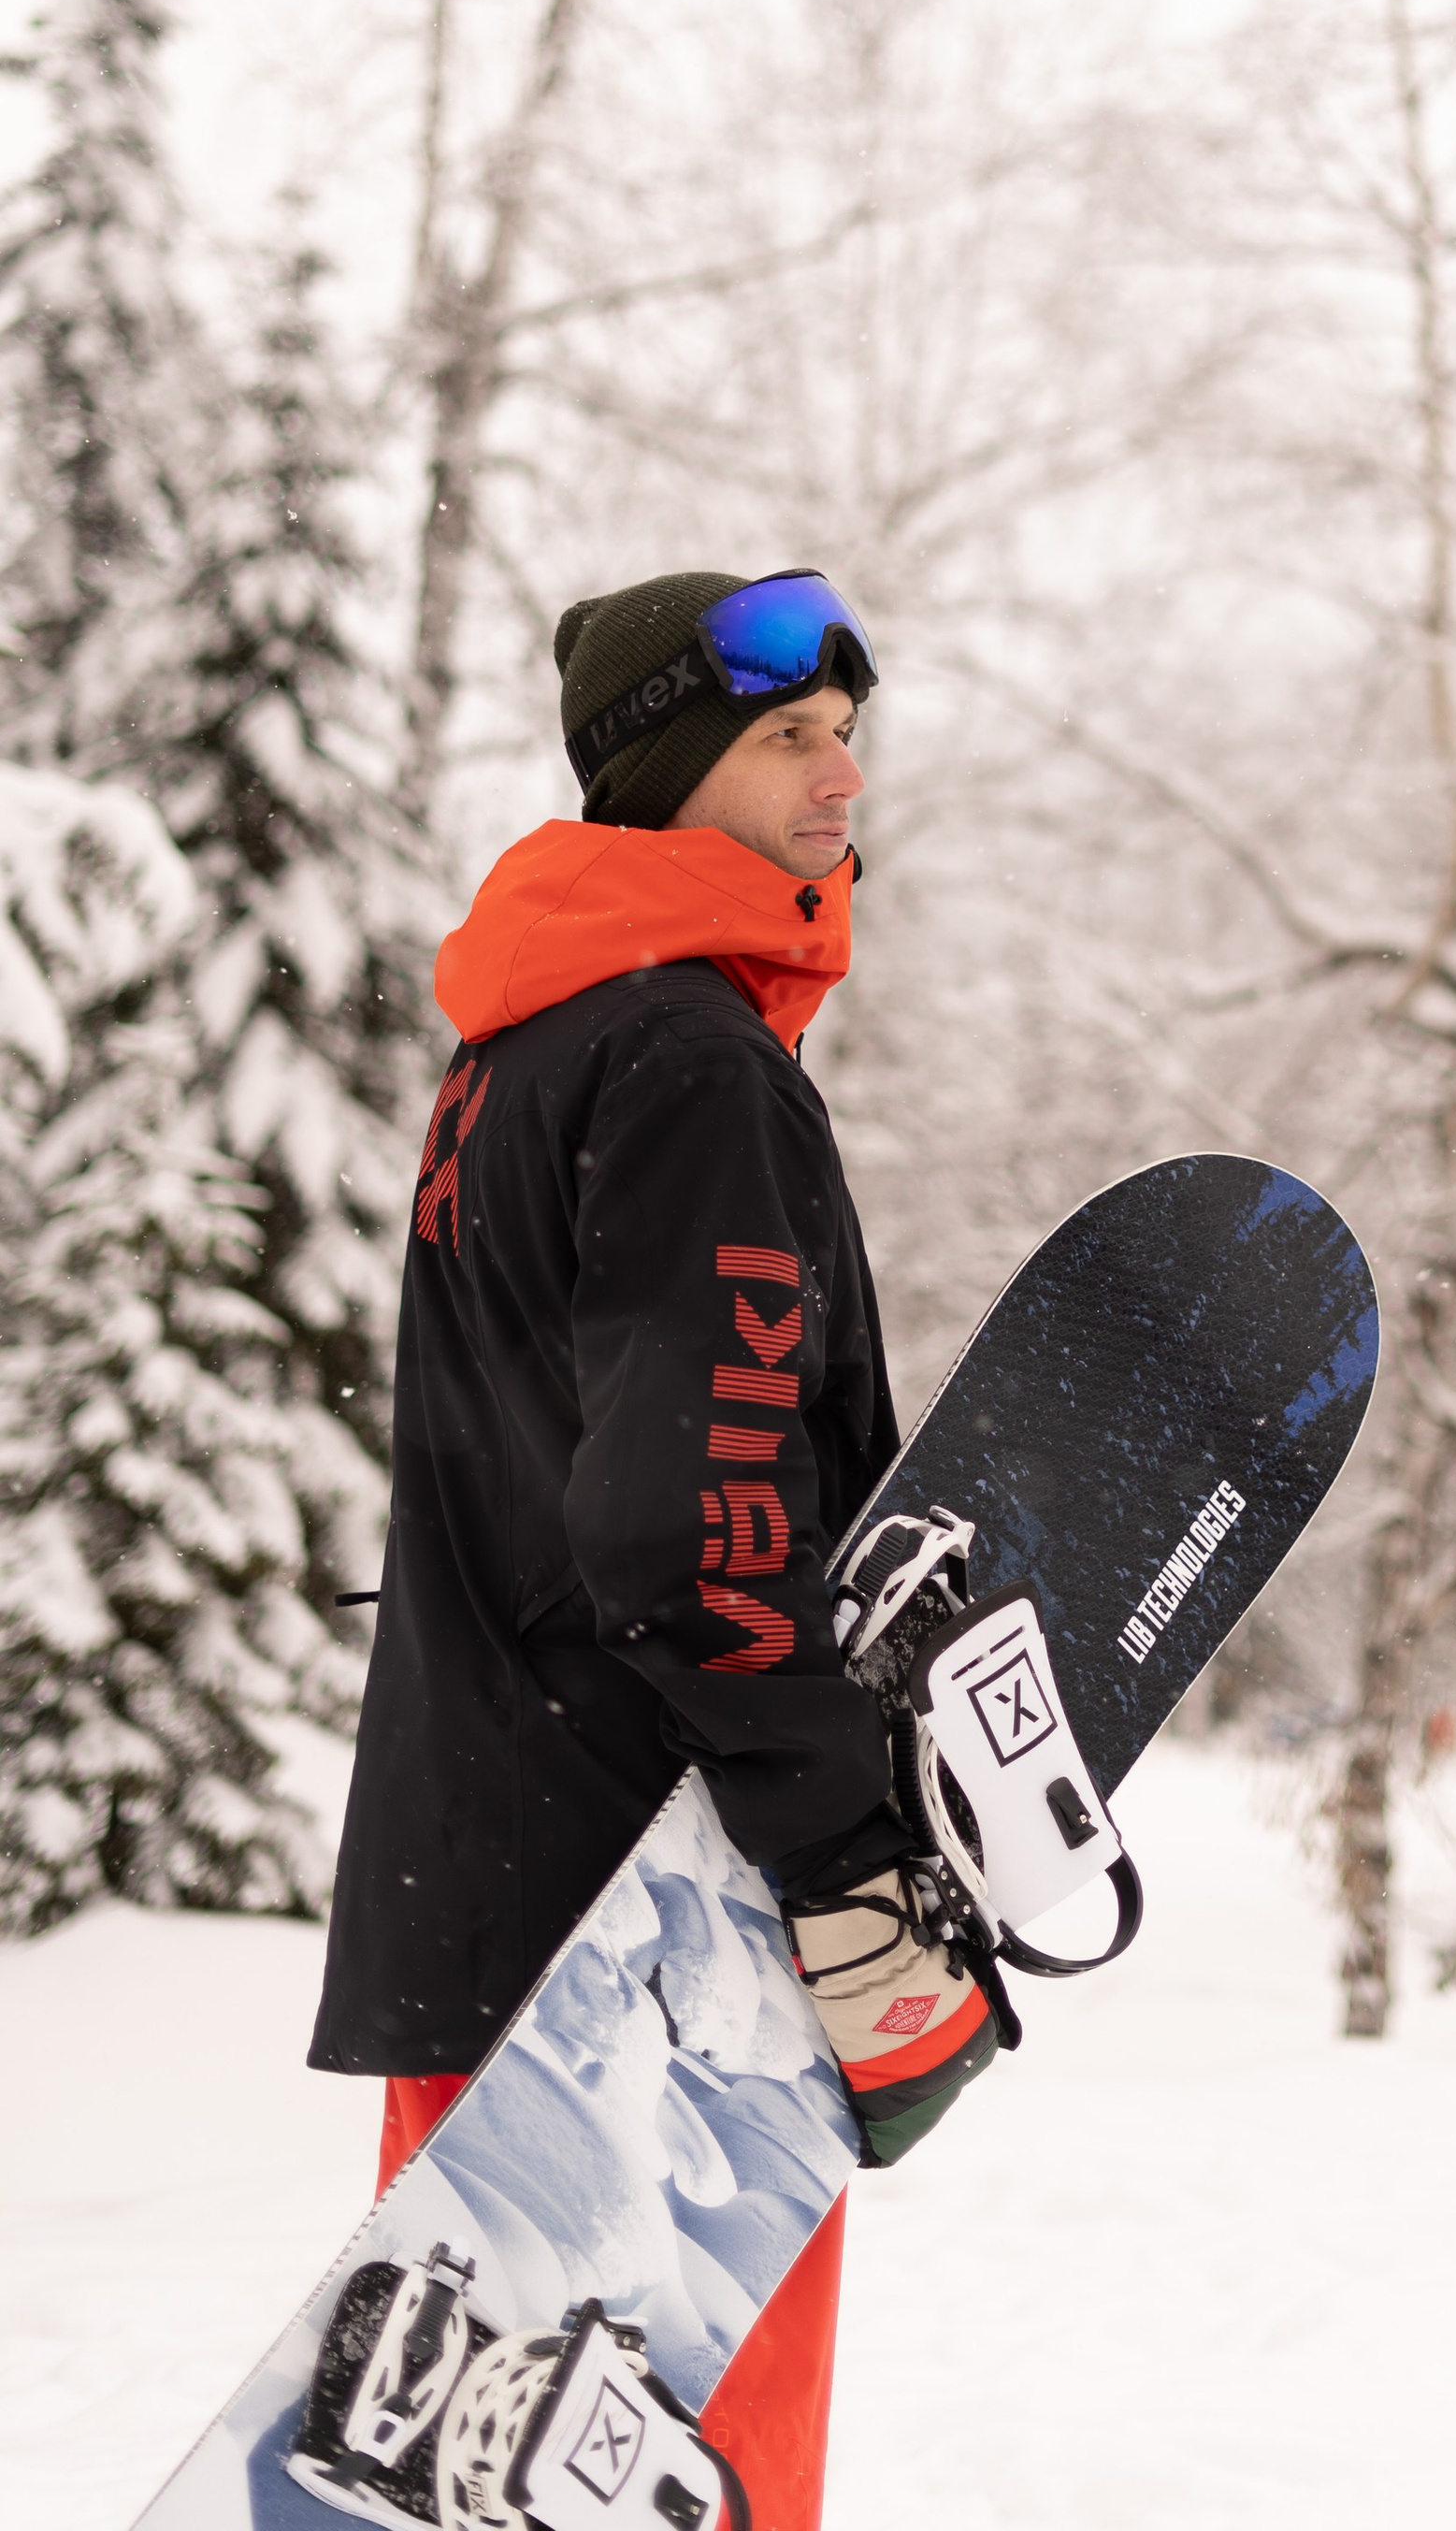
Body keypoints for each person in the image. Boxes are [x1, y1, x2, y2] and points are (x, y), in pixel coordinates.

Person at [309, 568, 995, 2518]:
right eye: (788, 737)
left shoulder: (518, 1051)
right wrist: (842, 1858)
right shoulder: (690, 1063)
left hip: (487, 1883)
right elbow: (699, 1517)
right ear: (669, 768)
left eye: (846, 733)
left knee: (484, 2478)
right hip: (654, 1942)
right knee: (699, 2480)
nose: (841, 775)